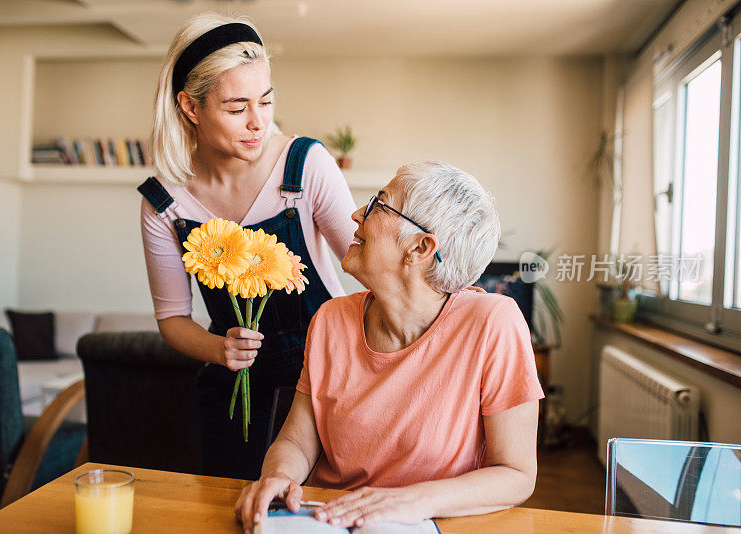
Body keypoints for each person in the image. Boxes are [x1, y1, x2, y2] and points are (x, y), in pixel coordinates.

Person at [234, 161, 545, 532]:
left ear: (420, 247)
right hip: (325, 519)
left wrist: (410, 501)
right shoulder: (331, 320)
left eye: (378, 205)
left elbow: (516, 473)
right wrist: (279, 476)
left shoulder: (492, 323)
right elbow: (297, 442)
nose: (355, 214)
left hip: (425, 524)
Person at [138, 13, 356, 480]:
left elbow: (366, 266)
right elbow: (173, 320)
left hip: (323, 379)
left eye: (266, 101)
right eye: (237, 108)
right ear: (190, 107)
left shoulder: (306, 166)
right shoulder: (164, 202)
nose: (258, 123)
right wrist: (220, 351)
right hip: (234, 390)